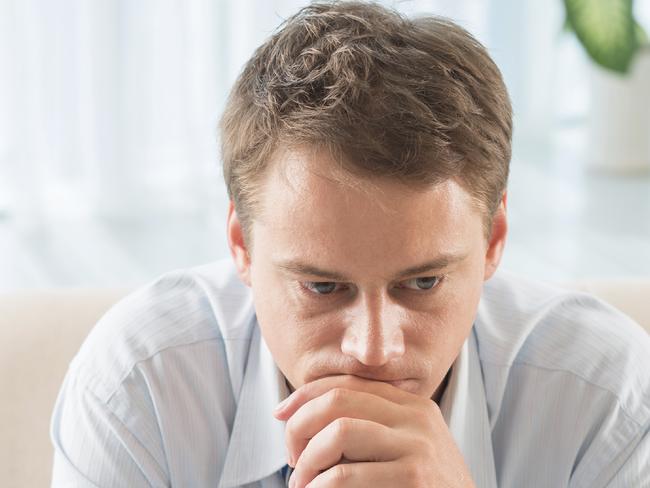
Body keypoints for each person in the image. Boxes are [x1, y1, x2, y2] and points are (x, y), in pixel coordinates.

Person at [50, 2, 650, 487]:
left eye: (423, 282)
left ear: (493, 239)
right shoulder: (137, 387)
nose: (373, 351)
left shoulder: (609, 400)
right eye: (321, 285)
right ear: (243, 246)